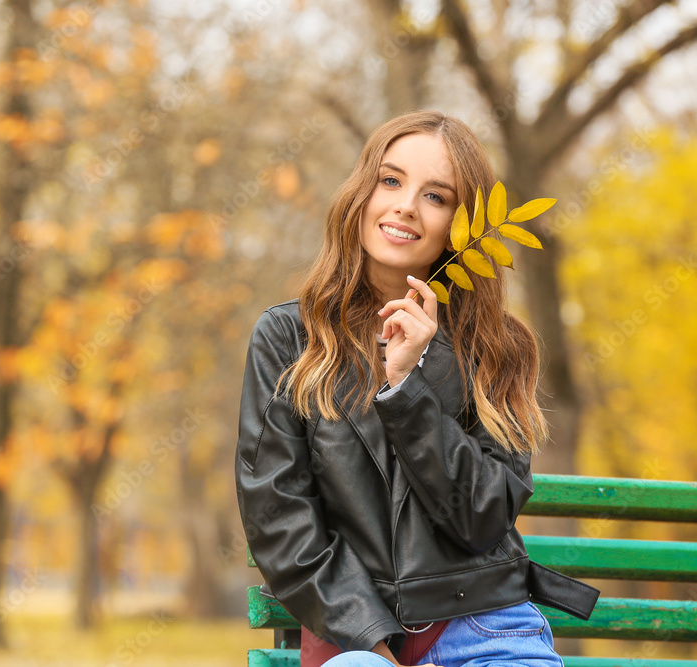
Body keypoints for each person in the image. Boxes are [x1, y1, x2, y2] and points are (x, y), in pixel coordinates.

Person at [234, 110, 598, 667]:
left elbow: (481, 519)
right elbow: (279, 518)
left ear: (461, 223)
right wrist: (375, 643)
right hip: (358, 638)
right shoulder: (289, 338)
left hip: (488, 627)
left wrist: (407, 387)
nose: (405, 205)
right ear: (362, 194)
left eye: (436, 196)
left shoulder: (496, 348)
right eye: (391, 180)